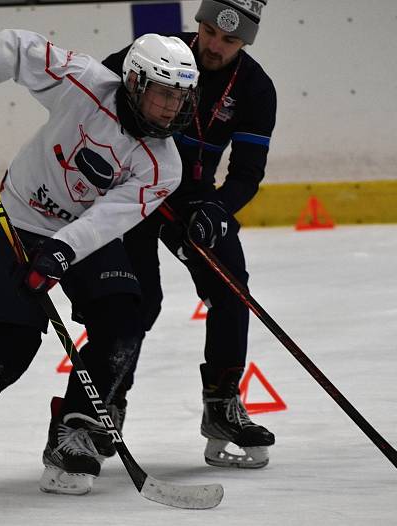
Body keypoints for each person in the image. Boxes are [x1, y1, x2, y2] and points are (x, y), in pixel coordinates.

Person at [0, 29, 199, 495]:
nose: (172, 108)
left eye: (180, 97)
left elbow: (110, 219)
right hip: (20, 218)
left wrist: (63, 251)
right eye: (162, 94)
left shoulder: (164, 165)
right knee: (16, 341)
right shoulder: (86, 83)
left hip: (83, 236)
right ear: (133, 82)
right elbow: (15, 46)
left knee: (122, 324)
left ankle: (73, 434)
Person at [101, 0, 277, 468]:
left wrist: (218, 209)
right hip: (132, 188)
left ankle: (221, 406)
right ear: (198, 23)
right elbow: (89, 107)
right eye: (209, 32)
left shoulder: (256, 89)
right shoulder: (156, 52)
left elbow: (246, 173)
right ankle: (102, 404)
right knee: (138, 299)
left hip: (191, 193)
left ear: (246, 42)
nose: (214, 47)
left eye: (230, 40)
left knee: (231, 287)